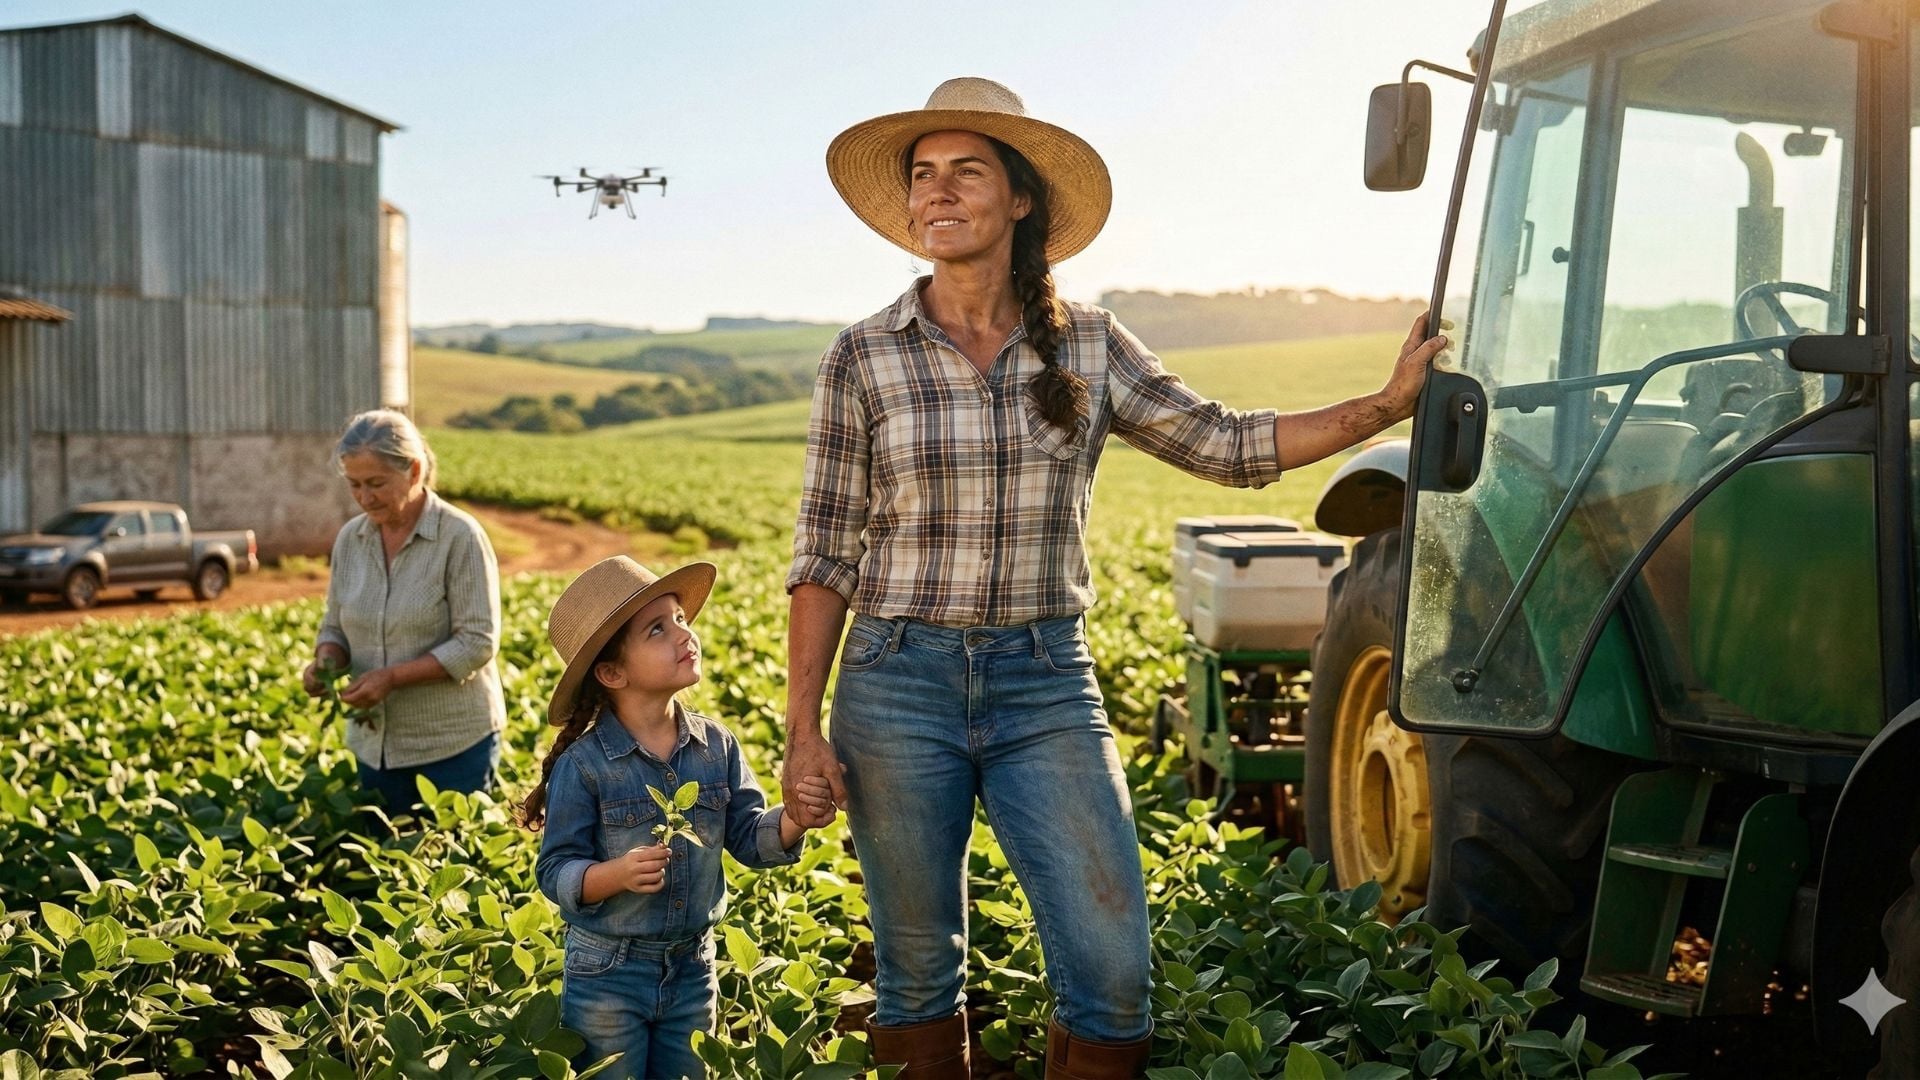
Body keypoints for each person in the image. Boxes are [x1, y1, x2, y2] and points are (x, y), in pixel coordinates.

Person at [780, 77, 1446, 1079]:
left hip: (1043, 680)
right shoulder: (863, 356)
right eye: (923, 176)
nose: (938, 193)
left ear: (1019, 202)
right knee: (917, 972)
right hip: (896, 679)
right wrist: (801, 723)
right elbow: (825, 549)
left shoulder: (1087, 341)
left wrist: (1384, 406)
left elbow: (1224, 444)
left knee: (1113, 968)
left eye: (967, 172)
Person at [527, 556, 839, 1080]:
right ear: (611, 672)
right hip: (607, 971)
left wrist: (797, 819)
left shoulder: (716, 746)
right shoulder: (585, 766)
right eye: (657, 629)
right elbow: (555, 869)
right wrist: (615, 875)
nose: (682, 634)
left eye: (680, 619)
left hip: (695, 966)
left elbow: (747, 835)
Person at [303, 409, 506, 813]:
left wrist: (392, 678)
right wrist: (326, 661)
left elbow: (477, 643)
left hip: (450, 746)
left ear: (413, 471)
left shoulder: (458, 536)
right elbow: (335, 625)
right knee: (386, 859)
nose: (365, 497)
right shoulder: (351, 539)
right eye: (355, 485)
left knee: (447, 860)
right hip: (374, 744)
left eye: (377, 483)